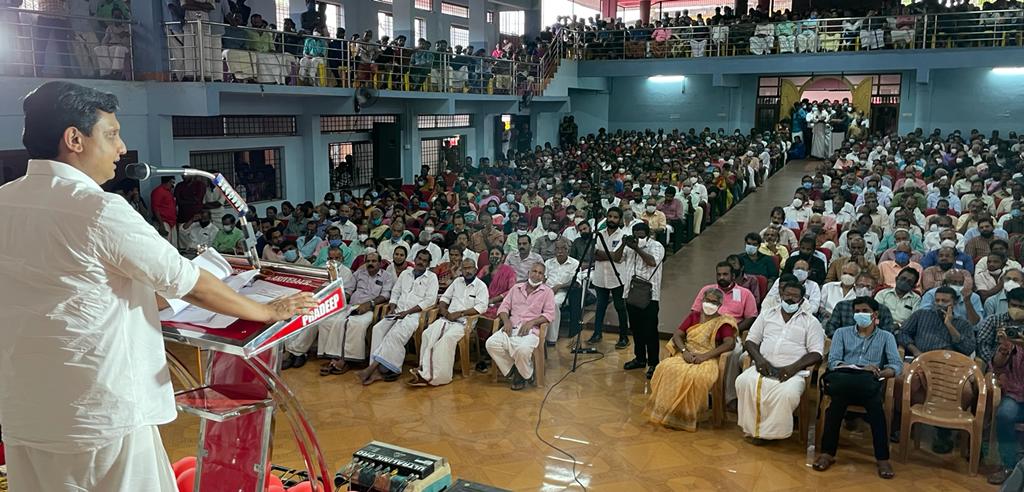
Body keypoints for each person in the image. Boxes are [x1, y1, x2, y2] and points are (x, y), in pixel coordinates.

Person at [0, 81, 316, 490]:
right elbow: (188, 282)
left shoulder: (5, 201)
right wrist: (267, 310)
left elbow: (72, 290)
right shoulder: (97, 208)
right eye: (111, 134)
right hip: (99, 414)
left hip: (25, 410)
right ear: (74, 139)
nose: (121, 148)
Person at [813, 297, 901, 479]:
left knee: (874, 407)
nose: (860, 314)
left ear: (875, 314)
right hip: (845, 378)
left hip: (869, 381)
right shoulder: (841, 333)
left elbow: (896, 365)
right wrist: (857, 367)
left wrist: (880, 372)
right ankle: (827, 454)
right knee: (838, 403)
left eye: (865, 311)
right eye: (857, 311)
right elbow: (834, 361)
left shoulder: (886, 337)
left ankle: (882, 458)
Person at [736, 281, 825, 442]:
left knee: (787, 394)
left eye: (795, 296)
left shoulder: (811, 322)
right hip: (763, 367)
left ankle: (771, 434)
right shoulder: (767, 315)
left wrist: (793, 368)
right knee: (743, 381)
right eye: (787, 294)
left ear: (802, 300)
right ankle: (752, 429)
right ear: (781, 295)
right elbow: (750, 341)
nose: (790, 298)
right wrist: (759, 360)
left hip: (793, 372)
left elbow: (816, 353)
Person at [645, 288, 736, 431]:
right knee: (664, 367)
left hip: (708, 358)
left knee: (697, 377)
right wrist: (684, 352)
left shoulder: (723, 322)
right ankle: (668, 412)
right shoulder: (694, 316)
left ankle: (685, 416)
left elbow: (730, 343)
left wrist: (705, 356)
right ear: (702, 300)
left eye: (714, 302)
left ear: (720, 305)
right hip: (686, 354)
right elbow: (677, 335)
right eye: (707, 300)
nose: (709, 304)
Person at [358, 250, 438, 385]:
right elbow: (395, 292)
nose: (421, 262)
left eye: (425, 261)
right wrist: (392, 307)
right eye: (419, 259)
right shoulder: (406, 274)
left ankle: (377, 369)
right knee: (378, 329)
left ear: (428, 264)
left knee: (394, 335)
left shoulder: (431, 278)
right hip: (397, 312)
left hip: (414, 316)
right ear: (415, 259)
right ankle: (376, 369)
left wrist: (407, 312)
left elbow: (429, 301)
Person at [407, 258, 488, 387]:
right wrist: (444, 311)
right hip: (447, 319)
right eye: (464, 268)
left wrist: (460, 313)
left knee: (445, 340)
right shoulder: (457, 282)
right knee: (427, 334)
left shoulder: (481, 286)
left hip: (464, 323)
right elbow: (444, 298)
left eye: (470, 268)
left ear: (475, 270)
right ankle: (424, 369)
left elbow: (481, 307)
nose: (467, 271)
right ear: (461, 270)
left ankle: (439, 377)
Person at [485, 262, 556, 390]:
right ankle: (518, 371)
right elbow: (504, 307)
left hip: (531, 331)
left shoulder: (547, 292)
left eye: (540, 273)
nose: (536, 275)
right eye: (534, 271)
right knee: (491, 343)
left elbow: (549, 314)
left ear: (544, 277)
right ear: (528, 273)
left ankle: (521, 375)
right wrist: (506, 321)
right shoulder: (516, 288)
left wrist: (532, 322)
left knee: (522, 350)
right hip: (511, 327)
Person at [616, 222, 665, 379]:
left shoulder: (656, 246)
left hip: (650, 295)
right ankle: (640, 358)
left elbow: (652, 262)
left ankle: (654, 363)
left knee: (650, 330)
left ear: (648, 234)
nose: (638, 237)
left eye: (641, 235)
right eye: (635, 234)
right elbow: (616, 258)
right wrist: (624, 244)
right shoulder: (629, 246)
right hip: (630, 293)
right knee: (636, 329)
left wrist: (637, 248)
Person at [589, 207, 630, 348]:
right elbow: (593, 254)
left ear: (620, 220)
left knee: (620, 307)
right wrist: (610, 255)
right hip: (600, 277)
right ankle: (597, 333)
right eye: (610, 216)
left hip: (617, 277)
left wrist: (602, 254)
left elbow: (618, 257)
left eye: (615, 217)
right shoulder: (599, 234)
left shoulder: (624, 236)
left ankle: (624, 337)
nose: (612, 219)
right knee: (600, 306)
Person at [544, 240, 580, 346]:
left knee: (553, 304)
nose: (560, 251)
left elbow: (576, 282)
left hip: (563, 292)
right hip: (546, 290)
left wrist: (559, 286)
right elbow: (543, 279)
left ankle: (551, 338)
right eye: (557, 249)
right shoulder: (548, 263)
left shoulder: (574, 263)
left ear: (568, 250)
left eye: (563, 248)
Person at [151, 176, 178, 246]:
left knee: (173, 244)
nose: (173, 185)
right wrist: (161, 225)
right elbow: (155, 209)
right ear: (169, 182)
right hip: (163, 221)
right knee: (166, 244)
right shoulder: (158, 191)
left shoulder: (169, 192)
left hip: (172, 222)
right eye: (172, 182)